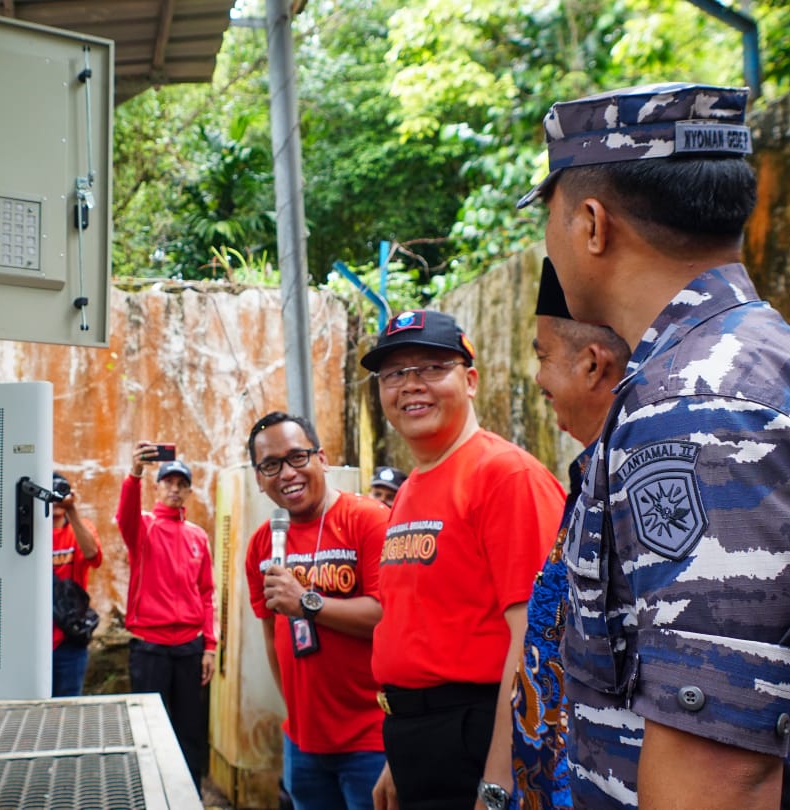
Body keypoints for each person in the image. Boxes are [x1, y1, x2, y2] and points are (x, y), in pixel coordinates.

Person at [518, 82, 790, 807]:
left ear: (591, 225)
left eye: (551, 220)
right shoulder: (737, 358)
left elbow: (719, 777)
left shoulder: (696, 411)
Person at [360, 310, 566, 810]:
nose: (411, 385)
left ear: (469, 380)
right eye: (394, 373)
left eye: (432, 368)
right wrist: (398, 755)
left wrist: (501, 781)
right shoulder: (410, 489)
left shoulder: (505, 476)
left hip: (478, 739)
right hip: (416, 737)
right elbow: (416, 629)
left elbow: (537, 643)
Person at [504, 259, 629, 809]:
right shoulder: (589, 478)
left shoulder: (636, 483)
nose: (537, 379)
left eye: (542, 356)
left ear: (593, 365)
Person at [244, 412, 388, 810]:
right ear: (259, 478)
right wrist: (298, 712)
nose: (286, 473)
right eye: (271, 465)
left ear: (321, 458)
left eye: (297, 457)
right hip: (302, 744)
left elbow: (387, 617)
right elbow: (272, 637)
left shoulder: (368, 521)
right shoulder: (261, 545)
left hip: (371, 740)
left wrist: (307, 603)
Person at [116, 443, 216, 791]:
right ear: (158, 487)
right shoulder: (143, 528)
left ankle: (189, 794)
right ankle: (149, 794)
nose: (174, 489)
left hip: (190, 647)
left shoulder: (198, 537)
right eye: (168, 483)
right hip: (150, 648)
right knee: (149, 733)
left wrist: (210, 647)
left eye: (181, 484)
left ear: (188, 490)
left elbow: (206, 594)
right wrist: (135, 473)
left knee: (191, 730)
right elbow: (124, 515)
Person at [50, 472, 103, 697]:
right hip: (33, 639)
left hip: (69, 638)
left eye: (61, 492)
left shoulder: (81, 528)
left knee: (68, 710)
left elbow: (93, 555)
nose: (56, 499)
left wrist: (71, 511)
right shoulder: (26, 532)